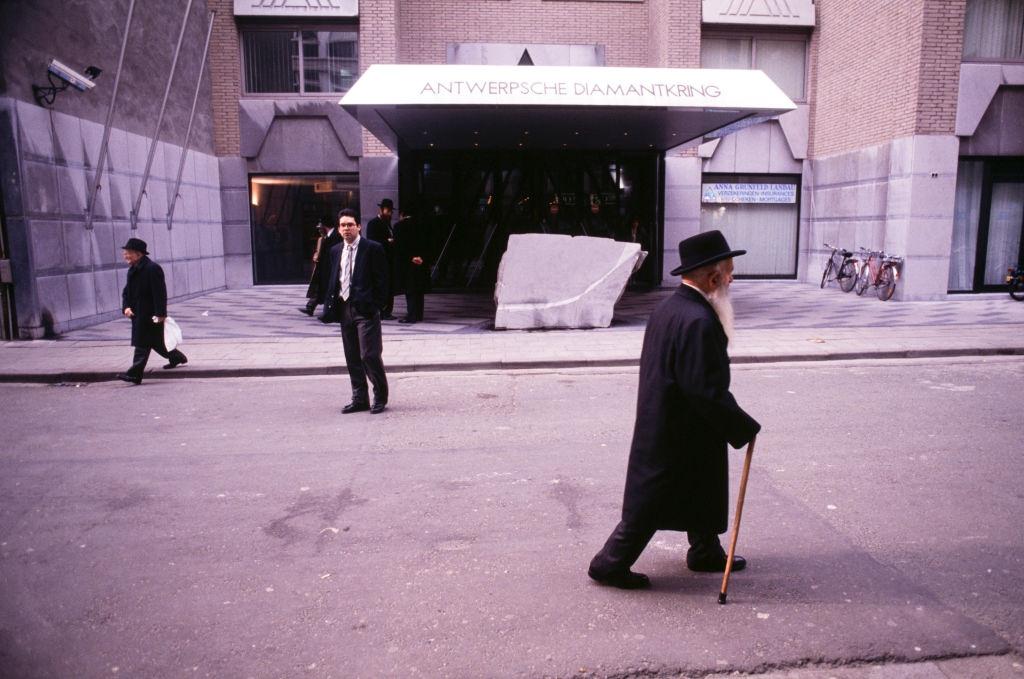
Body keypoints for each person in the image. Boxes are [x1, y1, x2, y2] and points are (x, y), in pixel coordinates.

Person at [588, 230, 761, 589]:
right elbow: (705, 389)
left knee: (702, 485)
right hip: (677, 426)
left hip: (674, 418)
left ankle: (704, 551)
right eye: (728, 272)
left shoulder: (671, 307)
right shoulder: (698, 320)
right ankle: (610, 563)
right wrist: (742, 426)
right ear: (712, 277)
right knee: (652, 499)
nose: (731, 279)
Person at [322, 209, 390, 414]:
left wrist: (376, 305)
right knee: (352, 356)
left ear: (358, 226)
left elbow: (383, 280)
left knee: (369, 354)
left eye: (350, 224)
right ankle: (360, 398)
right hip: (344, 309)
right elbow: (333, 278)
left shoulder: (372, 248)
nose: (346, 229)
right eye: (342, 225)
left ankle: (380, 396)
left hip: (365, 310)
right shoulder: (335, 251)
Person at [115, 238, 187, 385]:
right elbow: (126, 292)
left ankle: (135, 374)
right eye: (125, 253)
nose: (125, 256)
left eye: (128, 253)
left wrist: (161, 314)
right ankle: (176, 357)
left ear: (138, 254)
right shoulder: (133, 269)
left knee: (142, 343)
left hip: (150, 314)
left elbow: (160, 293)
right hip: (137, 313)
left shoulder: (152, 268)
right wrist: (126, 307)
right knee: (156, 342)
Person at [393, 207, 431, 324]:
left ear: (402, 214)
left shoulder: (399, 226)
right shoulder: (422, 225)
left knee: (410, 290)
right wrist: (422, 258)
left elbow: (399, 247)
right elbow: (429, 243)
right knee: (419, 289)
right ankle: (419, 314)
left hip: (407, 263)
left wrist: (410, 258)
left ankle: (411, 315)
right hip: (421, 262)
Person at [300, 216, 342, 316]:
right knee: (322, 289)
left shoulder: (336, 236)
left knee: (328, 290)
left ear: (324, 226)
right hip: (324, 268)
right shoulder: (326, 237)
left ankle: (328, 311)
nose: (319, 229)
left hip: (331, 268)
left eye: (320, 227)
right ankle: (313, 308)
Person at [365, 198, 397, 320]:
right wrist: (387, 241)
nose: (389, 213)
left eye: (390, 211)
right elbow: (372, 241)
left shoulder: (388, 224)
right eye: (387, 210)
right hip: (379, 260)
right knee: (382, 285)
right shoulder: (373, 223)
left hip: (388, 260)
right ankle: (382, 310)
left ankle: (388, 311)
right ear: (381, 210)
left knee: (389, 285)